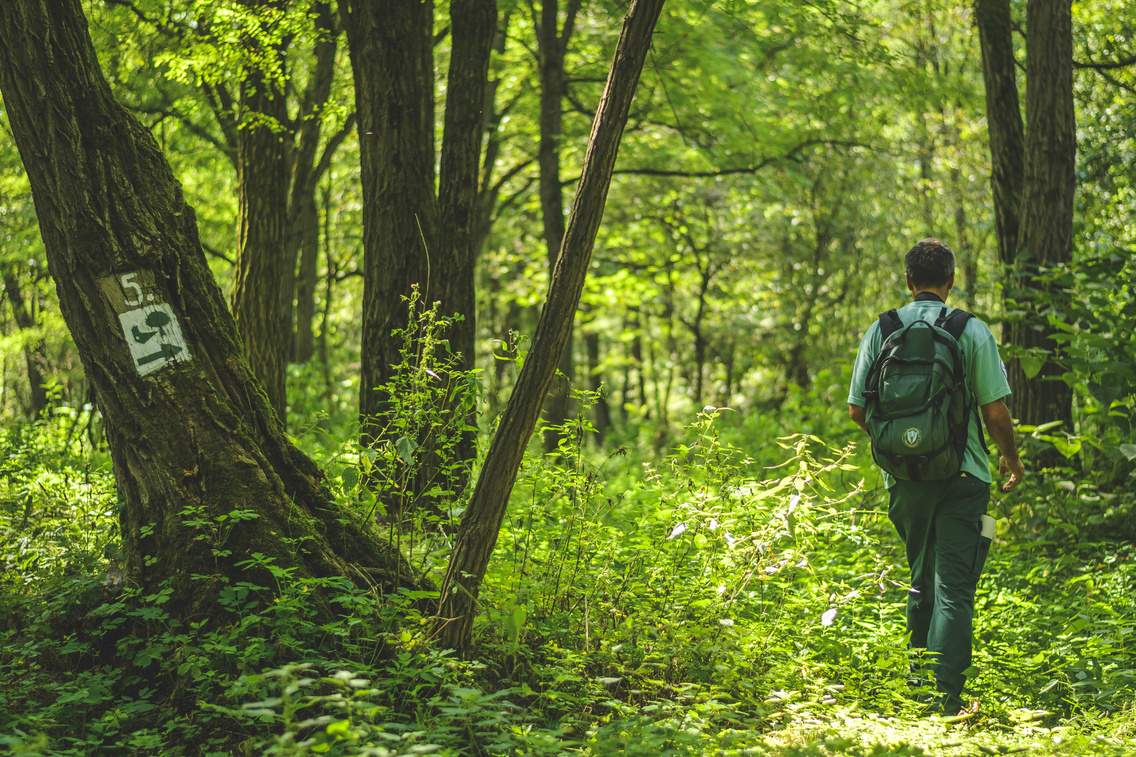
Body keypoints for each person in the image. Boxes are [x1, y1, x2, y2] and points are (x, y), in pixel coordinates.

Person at [847, 238, 1025, 715]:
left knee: (920, 578)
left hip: (905, 481)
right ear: (951, 280)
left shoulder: (881, 329)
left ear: (908, 281)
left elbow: (857, 410)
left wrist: (901, 446)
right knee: (954, 587)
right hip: (964, 475)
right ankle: (944, 699)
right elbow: (995, 410)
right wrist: (1011, 458)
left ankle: (916, 685)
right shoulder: (971, 330)